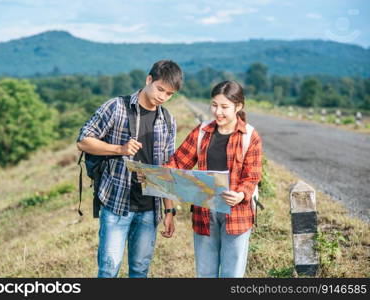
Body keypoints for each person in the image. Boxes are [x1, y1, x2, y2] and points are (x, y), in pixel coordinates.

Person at [76, 60, 182, 278]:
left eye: (169, 94)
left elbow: (166, 170)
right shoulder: (116, 107)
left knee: (140, 270)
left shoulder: (168, 121)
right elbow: (83, 141)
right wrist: (119, 149)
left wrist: (169, 210)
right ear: (148, 80)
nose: (163, 97)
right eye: (160, 89)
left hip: (149, 209)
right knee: (108, 270)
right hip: (116, 204)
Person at [164, 80, 262, 277]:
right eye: (214, 105)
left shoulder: (249, 136)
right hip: (205, 212)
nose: (218, 112)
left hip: (237, 215)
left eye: (224, 107)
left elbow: (252, 175)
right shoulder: (202, 132)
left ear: (238, 106)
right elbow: (176, 164)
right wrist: (154, 176)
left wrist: (241, 194)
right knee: (205, 274)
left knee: (231, 274)